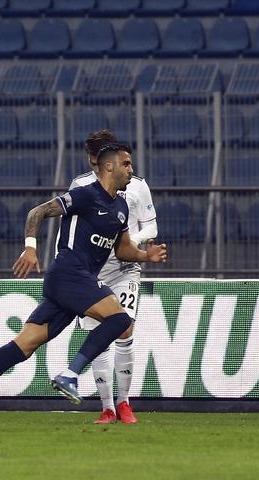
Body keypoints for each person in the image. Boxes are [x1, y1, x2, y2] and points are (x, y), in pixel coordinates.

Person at [0, 142, 167, 423]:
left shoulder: (120, 206)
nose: (131, 169)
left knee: (23, 346)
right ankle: (69, 375)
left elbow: (121, 249)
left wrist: (145, 255)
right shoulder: (84, 195)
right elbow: (38, 212)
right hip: (68, 273)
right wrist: (30, 247)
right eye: (126, 164)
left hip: (76, 284)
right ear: (109, 166)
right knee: (120, 321)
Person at [68, 130, 158, 425]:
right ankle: (107, 407)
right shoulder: (80, 186)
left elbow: (151, 228)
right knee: (98, 336)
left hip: (125, 269)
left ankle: (125, 403)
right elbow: (67, 230)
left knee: (124, 330)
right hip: (92, 273)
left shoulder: (136, 187)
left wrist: (129, 243)